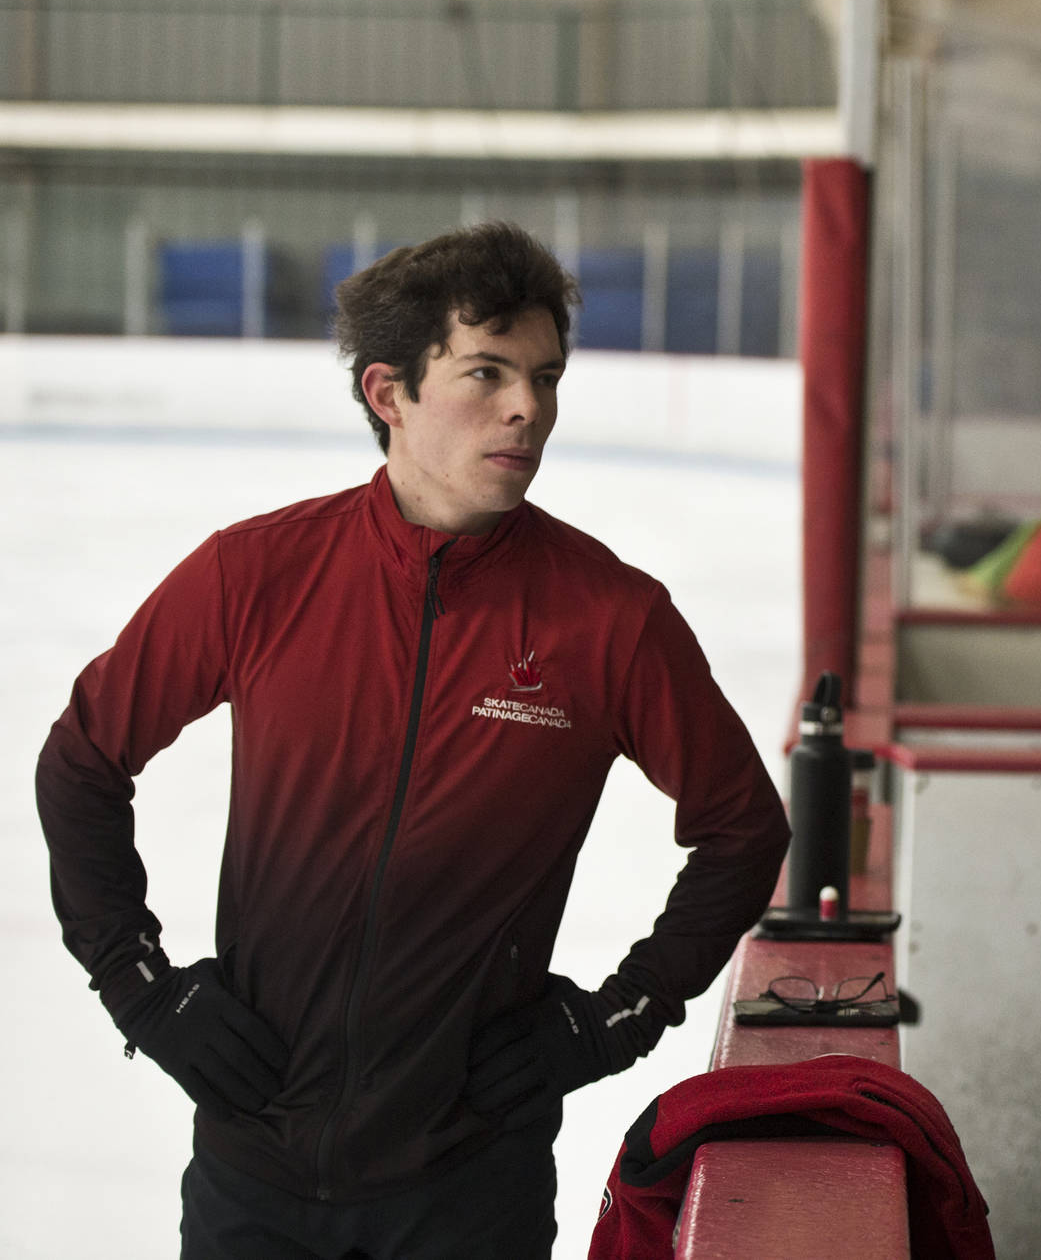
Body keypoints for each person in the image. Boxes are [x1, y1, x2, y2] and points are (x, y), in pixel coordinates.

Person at [35, 221, 791, 1258]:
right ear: (388, 393)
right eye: (487, 373)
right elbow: (81, 760)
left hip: (469, 1182)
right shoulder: (255, 575)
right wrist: (138, 985)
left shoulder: (610, 617)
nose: (529, 408)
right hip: (254, 1170)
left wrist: (622, 1012)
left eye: (545, 377)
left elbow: (743, 827)